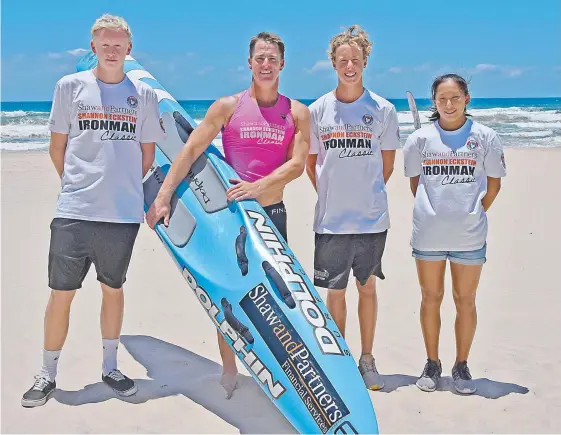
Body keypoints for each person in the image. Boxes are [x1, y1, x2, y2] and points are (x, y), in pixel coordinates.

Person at [146, 32, 310, 399]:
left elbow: (298, 164)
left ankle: (278, 369)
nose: (266, 64)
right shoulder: (227, 106)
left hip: (272, 214)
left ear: (282, 64)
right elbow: (189, 151)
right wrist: (164, 195)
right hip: (231, 215)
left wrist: (257, 186)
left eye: (272, 59)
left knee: (278, 297)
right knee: (227, 295)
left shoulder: (297, 112)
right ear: (249, 63)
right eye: (260, 58)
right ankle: (230, 367)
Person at [21, 14, 165, 408]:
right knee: (61, 293)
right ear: (93, 47)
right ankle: (47, 374)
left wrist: (120, 189)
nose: (112, 51)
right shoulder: (70, 87)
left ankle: (110, 367)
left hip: (120, 215)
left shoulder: (144, 95)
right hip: (74, 211)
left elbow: (147, 153)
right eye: (105, 45)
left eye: (119, 45)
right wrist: (78, 185)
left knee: (113, 289)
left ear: (129, 50)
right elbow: (57, 147)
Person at [305, 25, 399, 391]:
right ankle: (340, 361)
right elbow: (313, 165)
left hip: (372, 219)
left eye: (355, 60)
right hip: (331, 221)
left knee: (368, 288)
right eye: (343, 60)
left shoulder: (383, 109)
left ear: (365, 62)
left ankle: (367, 359)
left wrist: (365, 193)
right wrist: (333, 192)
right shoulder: (317, 110)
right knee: (336, 292)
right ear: (333, 63)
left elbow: (386, 165)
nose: (349, 66)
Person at [402, 73, 506, 394]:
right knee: (431, 298)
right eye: (442, 99)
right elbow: (415, 184)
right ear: (434, 102)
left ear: (467, 99)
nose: (448, 104)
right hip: (429, 235)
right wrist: (436, 212)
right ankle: (432, 364)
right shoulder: (419, 140)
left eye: (455, 98)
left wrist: (470, 212)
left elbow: (494, 185)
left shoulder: (485, 137)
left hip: (469, 236)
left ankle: (461, 366)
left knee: (465, 300)